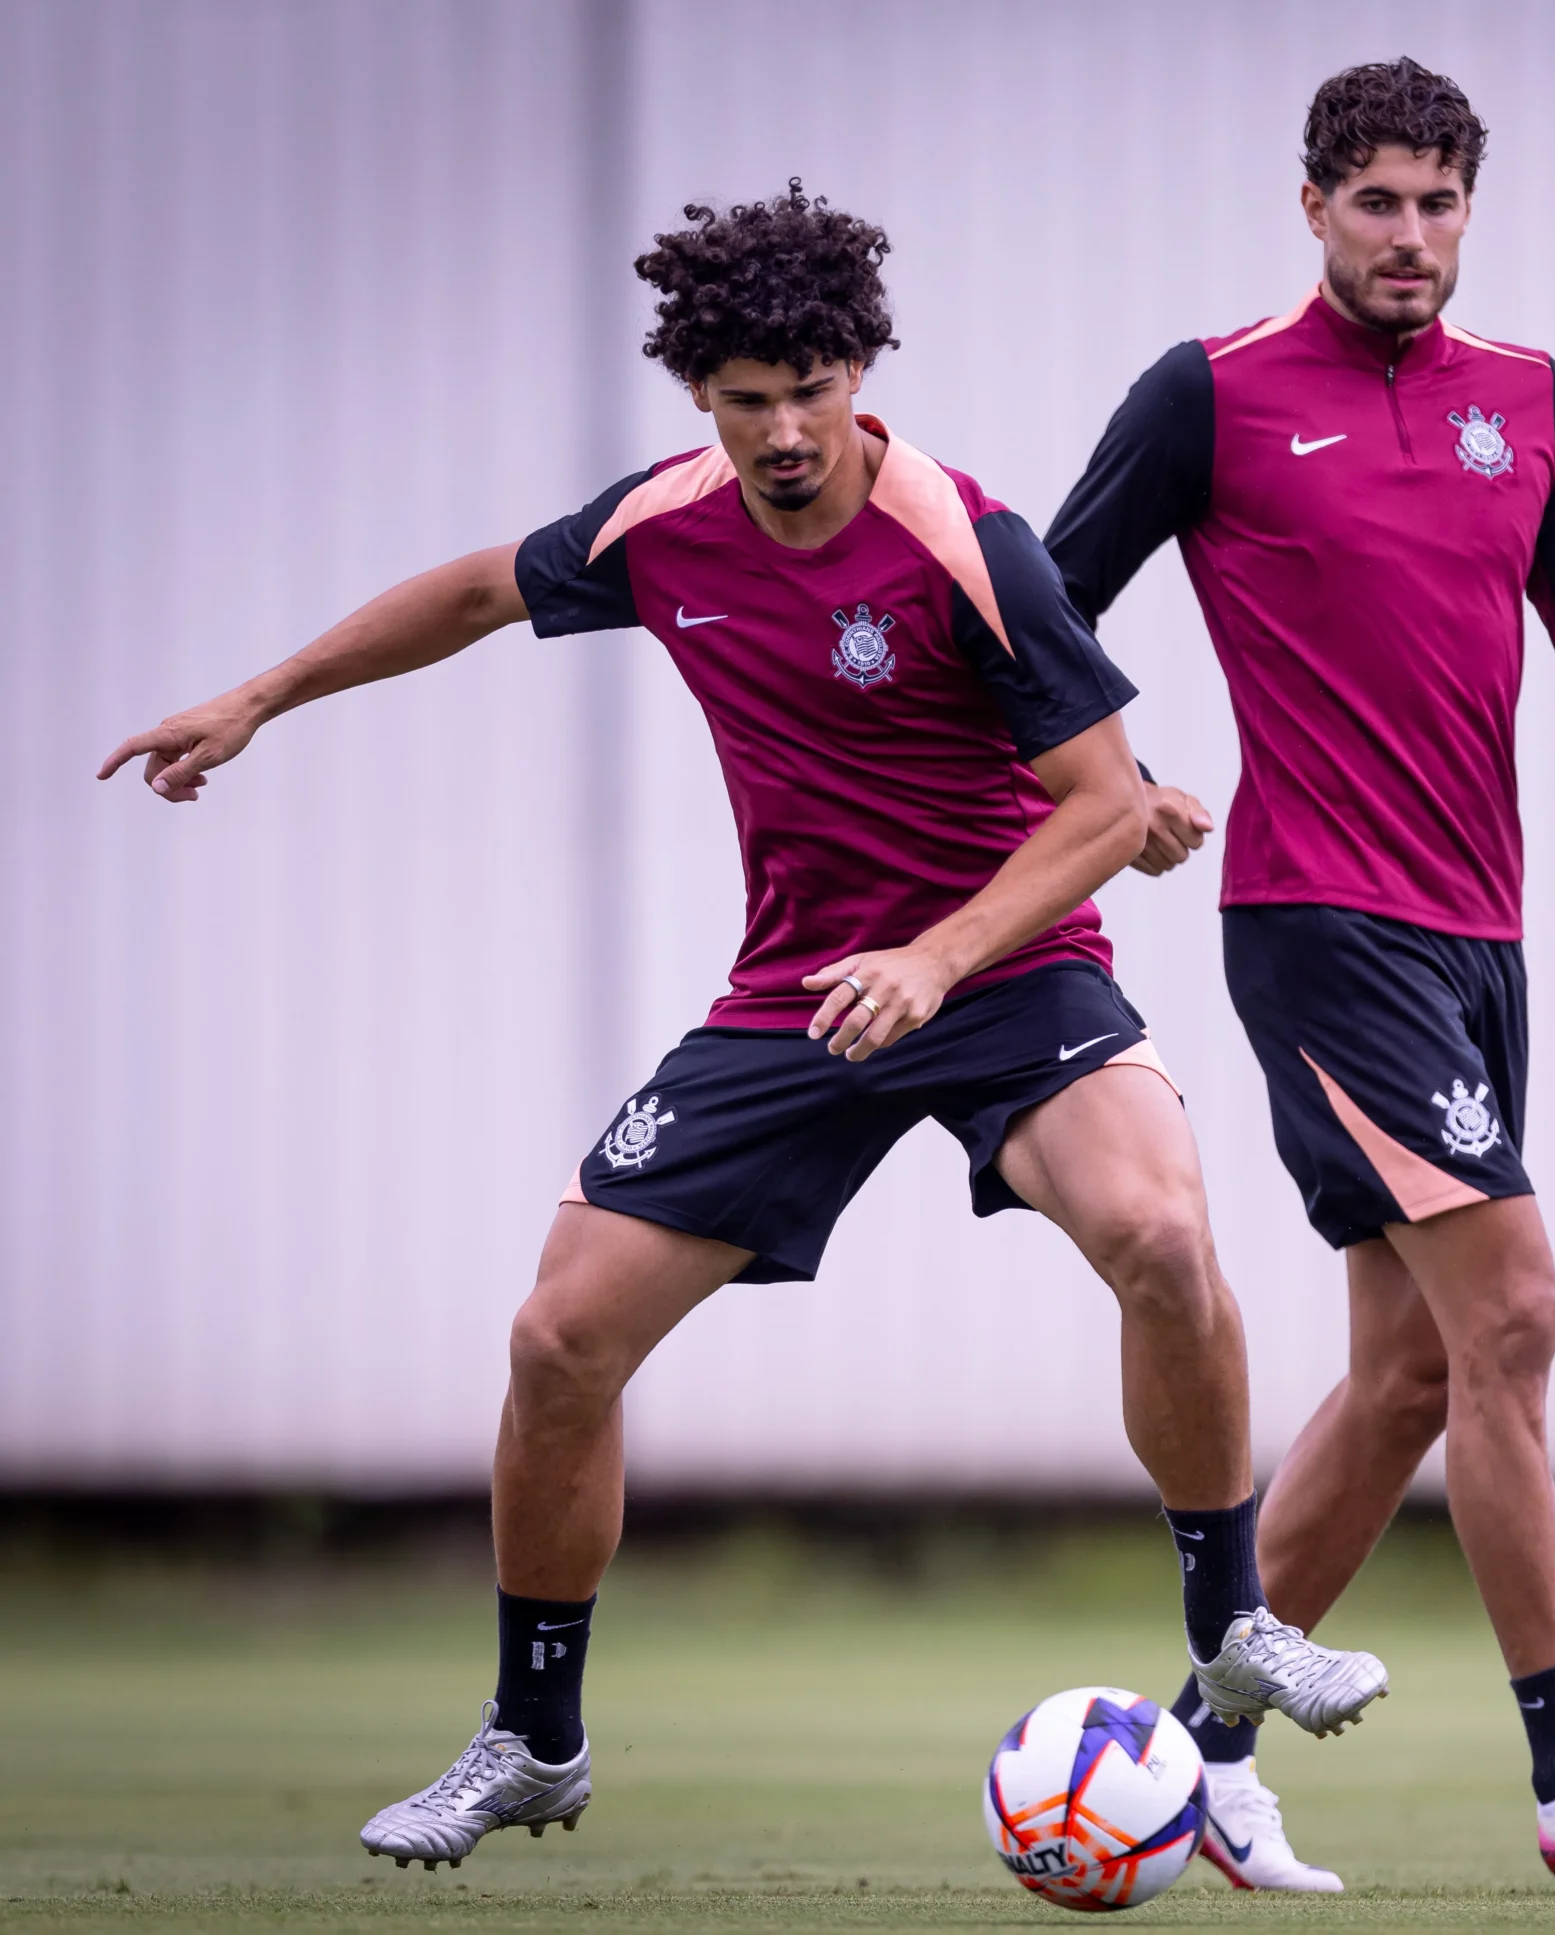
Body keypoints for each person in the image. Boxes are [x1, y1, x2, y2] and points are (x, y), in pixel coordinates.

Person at [99, 180, 1387, 1874]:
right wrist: (258, 695)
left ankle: (1234, 1624)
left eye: (812, 388)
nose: (785, 431)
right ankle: (531, 1739)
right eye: (746, 399)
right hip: (797, 993)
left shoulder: (962, 538)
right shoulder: (669, 524)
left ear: (863, 368)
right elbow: (484, 591)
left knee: (1159, 1228)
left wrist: (942, 953)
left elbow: (1097, 805)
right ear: (699, 399)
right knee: (561, 1341)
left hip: (1006, 971)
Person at [1045, 62, 1555, 1892]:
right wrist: (1113, 786)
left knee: (1420, 1374)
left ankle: (1193, 1755)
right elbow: (1039, 608)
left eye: (1439, 205)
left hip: (1482, 936)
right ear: (1312, 206)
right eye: (1378, 204)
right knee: (1513, 1311)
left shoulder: (1532, 400)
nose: (1411, 237)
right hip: (1320, 921)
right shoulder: (1211, 394)